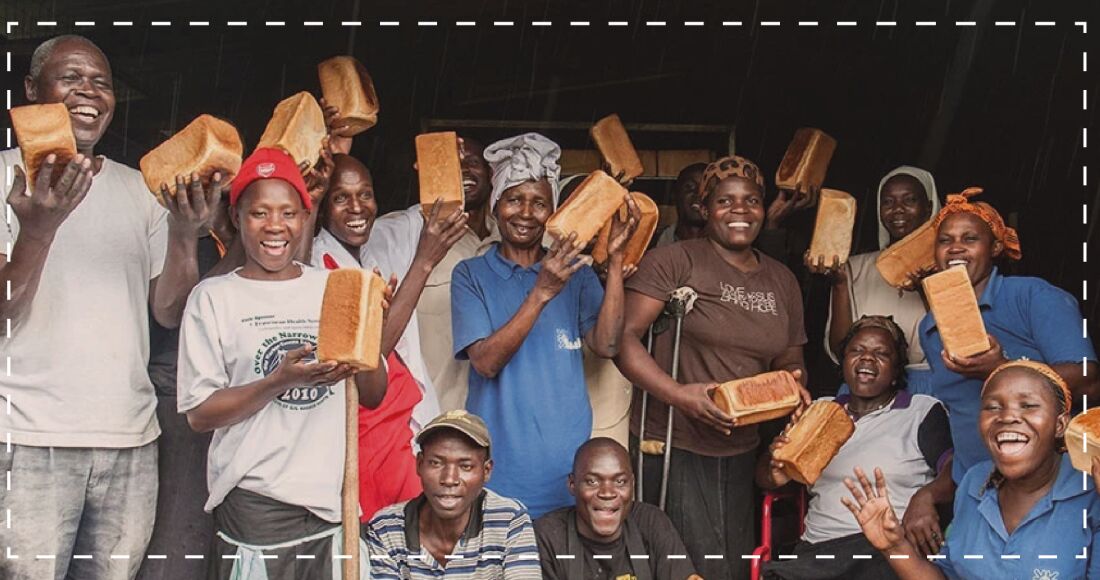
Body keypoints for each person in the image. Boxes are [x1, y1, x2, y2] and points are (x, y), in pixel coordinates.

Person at [0, 35, 221, 580]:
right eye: (71, 77)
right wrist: (39, 230)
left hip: (130, 440)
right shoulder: (4, 177)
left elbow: (169, 311)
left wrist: (184, 233)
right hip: (28, 440)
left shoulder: (138, 189)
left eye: (101, 82)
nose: (89, 92)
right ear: (32, 90)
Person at [177, 147, 388, 580]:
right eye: (260, 213)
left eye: (288, 213)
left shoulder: (333, 286)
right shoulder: (214, 297)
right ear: (237, 218)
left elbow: (373, 394)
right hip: (258, 504)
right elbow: (200, 414)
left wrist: (367, 322)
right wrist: (275, 382)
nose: (275, 226)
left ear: (306, 217)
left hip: (333, 503)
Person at [614, 155, 811, 580]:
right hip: (672, 441)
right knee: (678, 566)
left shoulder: (782, 280)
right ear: (705, 209)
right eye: (726, 200)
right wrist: (678, 395)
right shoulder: (674, 261)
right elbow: (623, 339)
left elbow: (790, 359)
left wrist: (795, 387)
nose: (740, 210)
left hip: (741, 448)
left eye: (752, 200)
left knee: (731, 564)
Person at [451, 132, 639, 518]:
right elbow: (485, 363)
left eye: (539, 203)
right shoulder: (470, 274)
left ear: (553, 213)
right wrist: (541, 292)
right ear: (495, 204)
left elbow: (607, 346)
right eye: (514, 199)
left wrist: (616, 263)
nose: (525, 213)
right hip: (498, 475)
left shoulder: (577, 273)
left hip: (569, 473)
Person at [310, 153, 468, 520]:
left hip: (404, 426)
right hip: (364, 430)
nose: (356, 208)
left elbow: (436, 212)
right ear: (320, 207)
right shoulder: (319, 266)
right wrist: (425, 262)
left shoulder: (380, 240)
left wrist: (442, 169)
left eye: (365, 194)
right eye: (340, 198)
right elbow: (367, 352)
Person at [845, 360, 1100, 578]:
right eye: (993, 406)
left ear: (1059, 425)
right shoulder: (975, 481)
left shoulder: (1090, 489)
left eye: (1028, 406)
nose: (1007, 417)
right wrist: (894, 546)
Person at [916, 187, 1098, 487]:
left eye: (970, 239)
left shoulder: (1034, 296)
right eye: (945, 240)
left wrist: (1000, 368)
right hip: (974, 488)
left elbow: (1089, 381)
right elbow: (957, 416)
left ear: (996, 247)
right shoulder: (930, 327)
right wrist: (937, 490)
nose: (955, 248)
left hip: (1047, 485)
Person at [757, 316, 952, 579]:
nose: (867, 359)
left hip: (887, 549)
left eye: (881, 353)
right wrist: (775, 469)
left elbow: (954, 470)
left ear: (897, 369)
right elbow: (764, 479)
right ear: (844, 362)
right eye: (857, 350)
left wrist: (925, 496)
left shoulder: (921, 411)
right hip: (820, 552)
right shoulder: (818, 410)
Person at [366, 136, 499, 413]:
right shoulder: (400, 234)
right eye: (454, 164)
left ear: (491, 173)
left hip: (495, 416)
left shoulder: (512, 238)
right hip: (432, 413)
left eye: (473, 163)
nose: (464, 171)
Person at [366, 410, 542, 579]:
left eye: (465, 466)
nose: (449, 479)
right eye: (436, 463)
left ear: (486, 471)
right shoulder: (386, 528)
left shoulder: (509, 520)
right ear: (419, 464)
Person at [816, 167, 941, 391]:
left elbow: (952, 344)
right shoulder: (853, 267)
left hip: (929, 387)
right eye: (888, 202)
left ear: (929, 207)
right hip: (862, 387)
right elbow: (839, 349)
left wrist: (925, 286)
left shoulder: (946, 270)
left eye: (910, 200)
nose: (898, 210)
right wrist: (840, 284)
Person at [535, 438, 701, 580]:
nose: (607, 493)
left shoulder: (650, 522)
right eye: (593, 481)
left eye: (620, 482)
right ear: (572, 485)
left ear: (632, 484)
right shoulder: (547, 537)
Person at [654, 162, 707, 246]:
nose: (699, 194)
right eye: (690, 187)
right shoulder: (650, 245)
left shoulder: (730, 247)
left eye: (706, 188)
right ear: (674, 195)